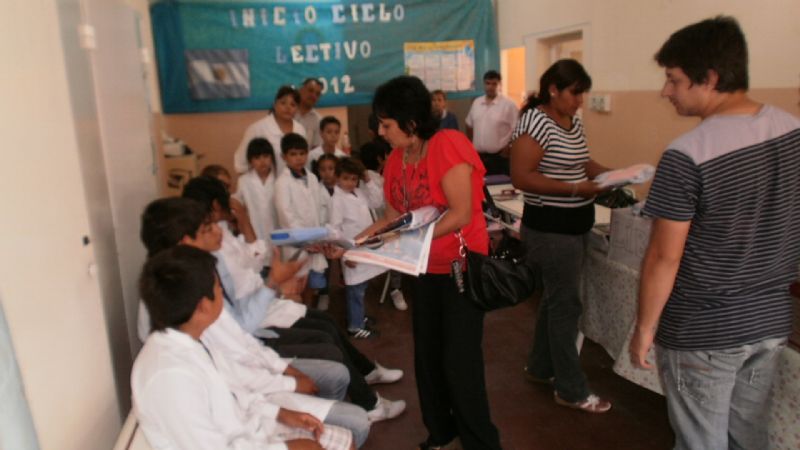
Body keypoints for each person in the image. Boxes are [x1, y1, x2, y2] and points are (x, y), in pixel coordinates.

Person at [628, 16, 800, 450]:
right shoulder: (793, 131)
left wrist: (645, 327)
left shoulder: (687, 155)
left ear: (710, 78)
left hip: (703, 330)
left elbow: (664, 257)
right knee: (748, 438)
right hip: (769, 324)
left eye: (673, 79)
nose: (665, 91)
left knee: (700, 441)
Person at [182, 176, 408, 423]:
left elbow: (254, 262)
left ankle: (367, 372)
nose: (234, 200)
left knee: (326, 323)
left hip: (262, 307)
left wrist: (246, 225)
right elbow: (242, 317)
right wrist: (275, 284)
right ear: (216, 206)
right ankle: (368, 403)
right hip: (257, 321)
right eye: (228, 193)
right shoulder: (206, 264)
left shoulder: (221, 234)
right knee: (325, 337)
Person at [367, 75, 501, 450]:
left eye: (386, 124)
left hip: (461, 267)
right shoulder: (396, 160)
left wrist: (408, 239)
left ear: (411, 123)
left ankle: (481, 443)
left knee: (460, 362)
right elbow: (392, 217)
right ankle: (441, 434)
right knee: (427, 357)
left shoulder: (448, 144)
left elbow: (461, 213)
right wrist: (353, 243)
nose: (380, 132)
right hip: (423, 268)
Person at [133, 245, 356, 450]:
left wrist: (280, 413)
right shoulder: (170, 376)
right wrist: (287, 448)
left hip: (248, 429)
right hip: (241, 441)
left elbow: (235, 391)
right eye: (218, 289)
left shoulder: (193, 339)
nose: (222, 296)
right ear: (203, 306)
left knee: (346, 441)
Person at [509, 59, 613, 413]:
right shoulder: (535, 122)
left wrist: (611, 175)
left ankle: (540, 368)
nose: (580, 100)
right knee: (566, 306)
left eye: (583, 93)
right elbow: (521, 176)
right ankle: (570, 389)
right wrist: (575, 189)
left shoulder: (573, 122)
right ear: (553, 90)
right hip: (550, 229)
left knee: (557, 300)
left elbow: (582, 162)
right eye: (575, 93)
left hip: (576, 224)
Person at [328, 157, 385, 338]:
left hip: (364, 247)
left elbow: (377, 202)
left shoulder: (359, 192)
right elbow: (335, 230)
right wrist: (346, 254)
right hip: (350, 250)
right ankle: (355, 327)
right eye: (345, 178)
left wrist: (368, 180)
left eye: (354, 179)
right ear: (337, 177)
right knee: (355, 289)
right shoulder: (337, 200)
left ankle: (359, 317)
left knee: (361, 286)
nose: (350, 183)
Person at [274, 133, 329, 308]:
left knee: (312, 283)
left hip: (315, 240)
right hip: (296, 243)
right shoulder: (282, 183)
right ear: (284, 157)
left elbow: (319, 208)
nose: (298, 158)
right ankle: (300, 315)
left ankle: (309, 311)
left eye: (302, 154)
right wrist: (306, 240)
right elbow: (286, 215)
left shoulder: (312, 178)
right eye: (293, 154)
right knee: (297, 283)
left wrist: (319, 235)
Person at [234, 86, 306, 175]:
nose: (288, 107)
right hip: (264, 183)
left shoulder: (300, 130)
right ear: (275, 104)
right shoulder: (257, 129)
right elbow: (240, 164)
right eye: (283, 103)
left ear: (297, 109)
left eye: (293, 105)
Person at [233, 138, 279, 273]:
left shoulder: (279, 179)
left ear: (272, 157)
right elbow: (237, 205)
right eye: (257, 158)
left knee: (276, 270)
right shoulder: (244, 181)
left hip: (276, 232)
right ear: (250, 161)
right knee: (259, 269)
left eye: (266, 156)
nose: (262, 161)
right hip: (254, 232)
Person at [465, 70, 518, 175]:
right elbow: (469, 124)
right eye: (488, 83)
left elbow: (518, 129)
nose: (490, 87)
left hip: (499, 158)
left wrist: (509, 147)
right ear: (484, 84)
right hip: (478, 157)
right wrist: (470, 145)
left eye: (494, 84)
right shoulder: (477, 103)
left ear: (500, 84)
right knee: (480, 184)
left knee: (499, 185)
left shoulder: (509, 105)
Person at [296, 78, 324, 148]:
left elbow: (317, 148)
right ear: (300, 90)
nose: (314, 96)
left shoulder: (319, 120)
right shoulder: (288, 113)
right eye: (310, 90)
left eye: (317, 94)